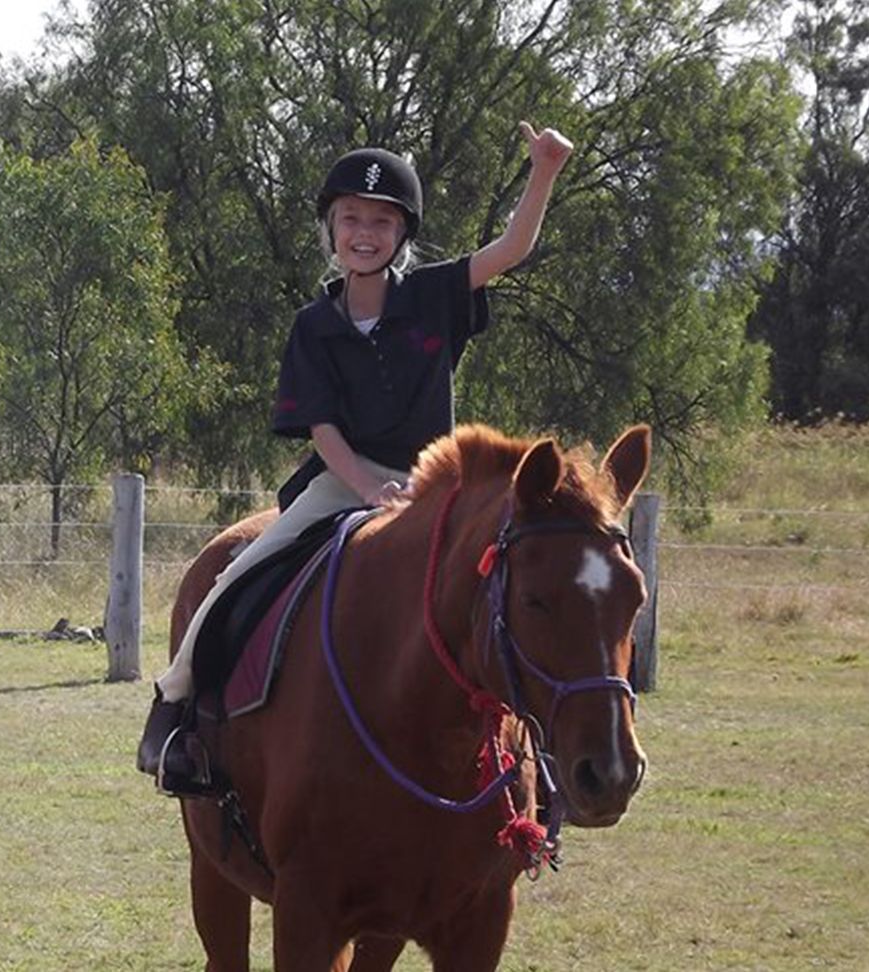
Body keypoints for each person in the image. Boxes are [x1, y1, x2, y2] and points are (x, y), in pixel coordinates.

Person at [137, 124, 575, 796]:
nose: (363, 232)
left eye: (380, 220)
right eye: (350, 219)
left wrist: (543, 169)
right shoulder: (312, 326)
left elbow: (512, 249)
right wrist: (372, 487)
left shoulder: (434, 293)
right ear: (330, 229)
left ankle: (539, 749)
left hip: (438, 484)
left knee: (518, 588)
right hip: (343, 480)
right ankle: (176, 707)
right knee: (235, 578)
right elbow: (324, 432)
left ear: (402, 233)